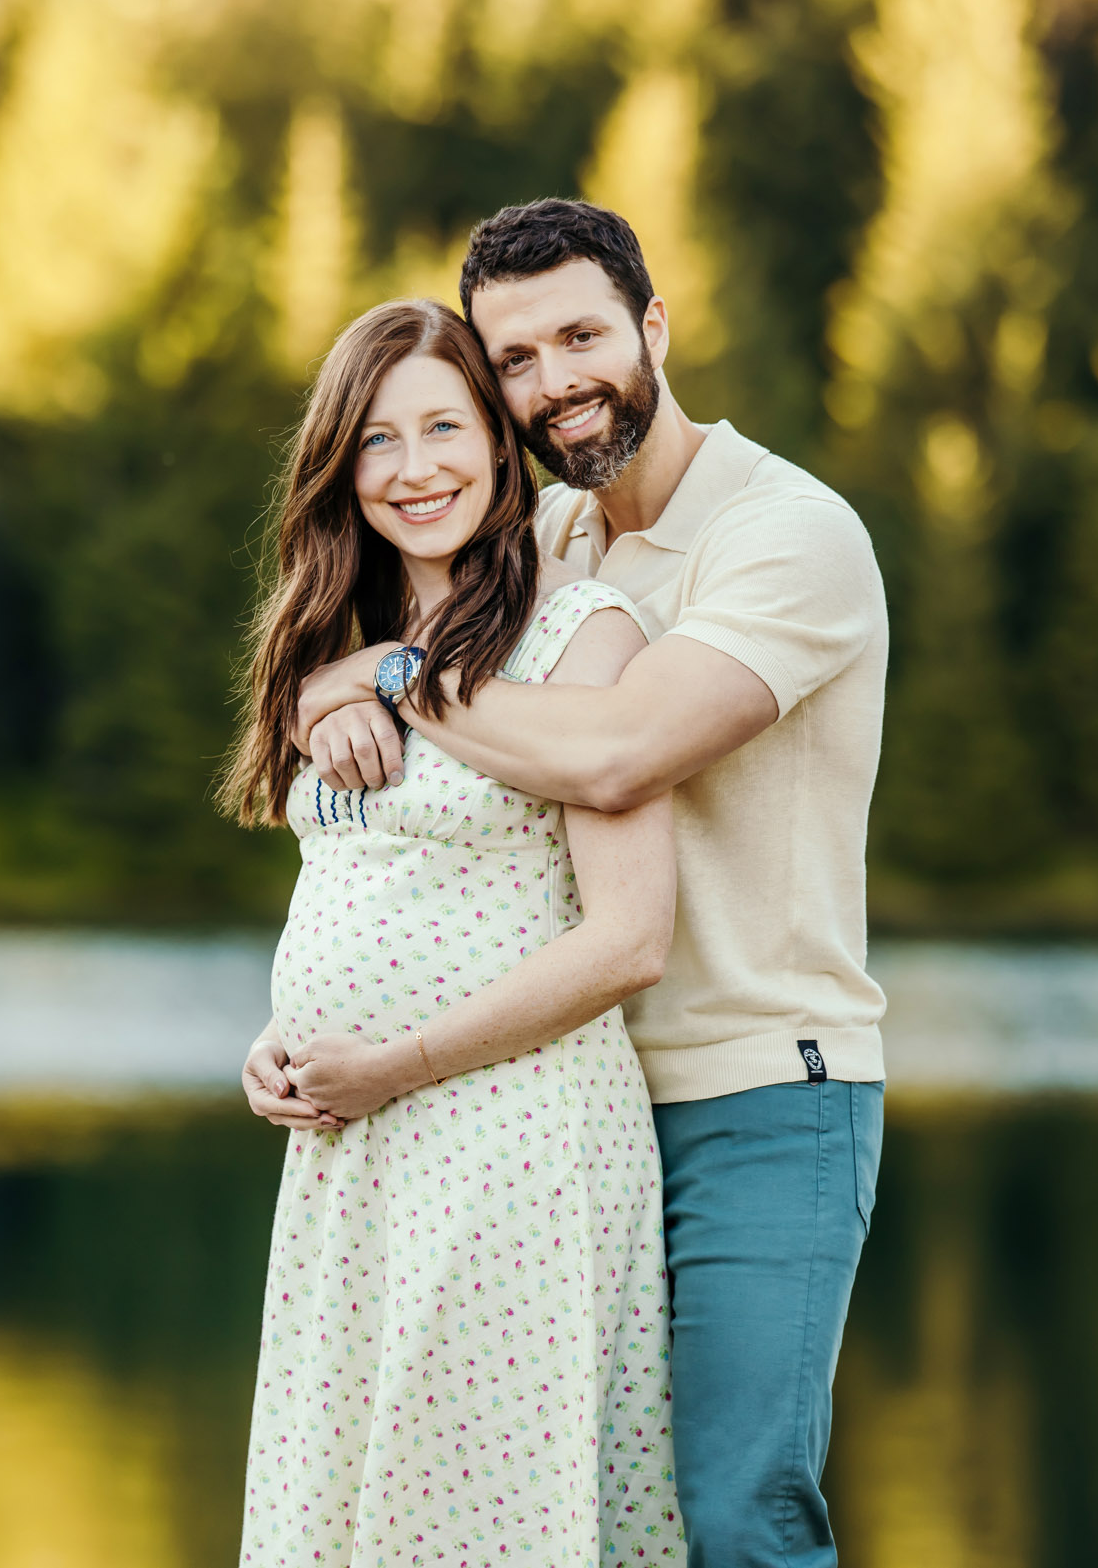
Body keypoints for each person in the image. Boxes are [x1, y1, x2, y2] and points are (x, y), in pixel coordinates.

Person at [289, 200, 889, 1568]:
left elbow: (617, 754)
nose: (555, 380)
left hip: (760, 1090)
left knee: (741, 1508)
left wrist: (383, 676)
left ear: (652, 329)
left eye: (581, 336)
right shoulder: (550, 542)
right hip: (566, 1103)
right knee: (599, 1513)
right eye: (517, 359)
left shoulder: (785, 533)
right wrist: (340, 688)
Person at [228, 296, 686, 1565]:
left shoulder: (577, 635)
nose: (414, 467)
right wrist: (282, 1039)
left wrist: (399, 1061)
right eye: (377, 439)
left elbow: (629, 939)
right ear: (340, 463)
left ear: (500, 443)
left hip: (505, 1142)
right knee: (350, 1518)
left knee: (479, 1519)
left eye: (444, 427)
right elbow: (372, 887)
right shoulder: (347, 645)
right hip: (349, 1159)